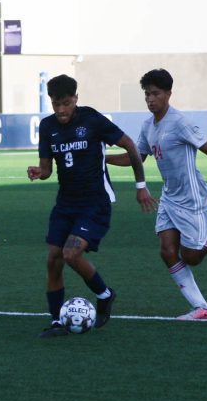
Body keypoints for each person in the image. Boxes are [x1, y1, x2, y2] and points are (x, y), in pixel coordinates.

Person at [106, 68, 207, 320]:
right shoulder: (147, 126)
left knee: (192, 257)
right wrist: (103, 158)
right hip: (170, 197)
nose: (150, 99)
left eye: (155, 93)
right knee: (166, 251)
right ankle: (202, 308)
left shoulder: (180, 123)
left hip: (192, 199)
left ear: (168, 94)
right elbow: (136, 158)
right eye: (147, 94)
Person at [27, 74, 156, 338]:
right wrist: (39, 172)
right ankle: (57, 322)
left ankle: (105, 295)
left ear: (76, 98)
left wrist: (140, 186)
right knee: (53, 260)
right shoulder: (47, 126)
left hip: (95, 202)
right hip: (65, 203)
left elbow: (130, 145)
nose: (61, 110)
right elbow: (47, 169)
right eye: (55, 104)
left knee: (71, 254)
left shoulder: (92, 119)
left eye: (66, 103)